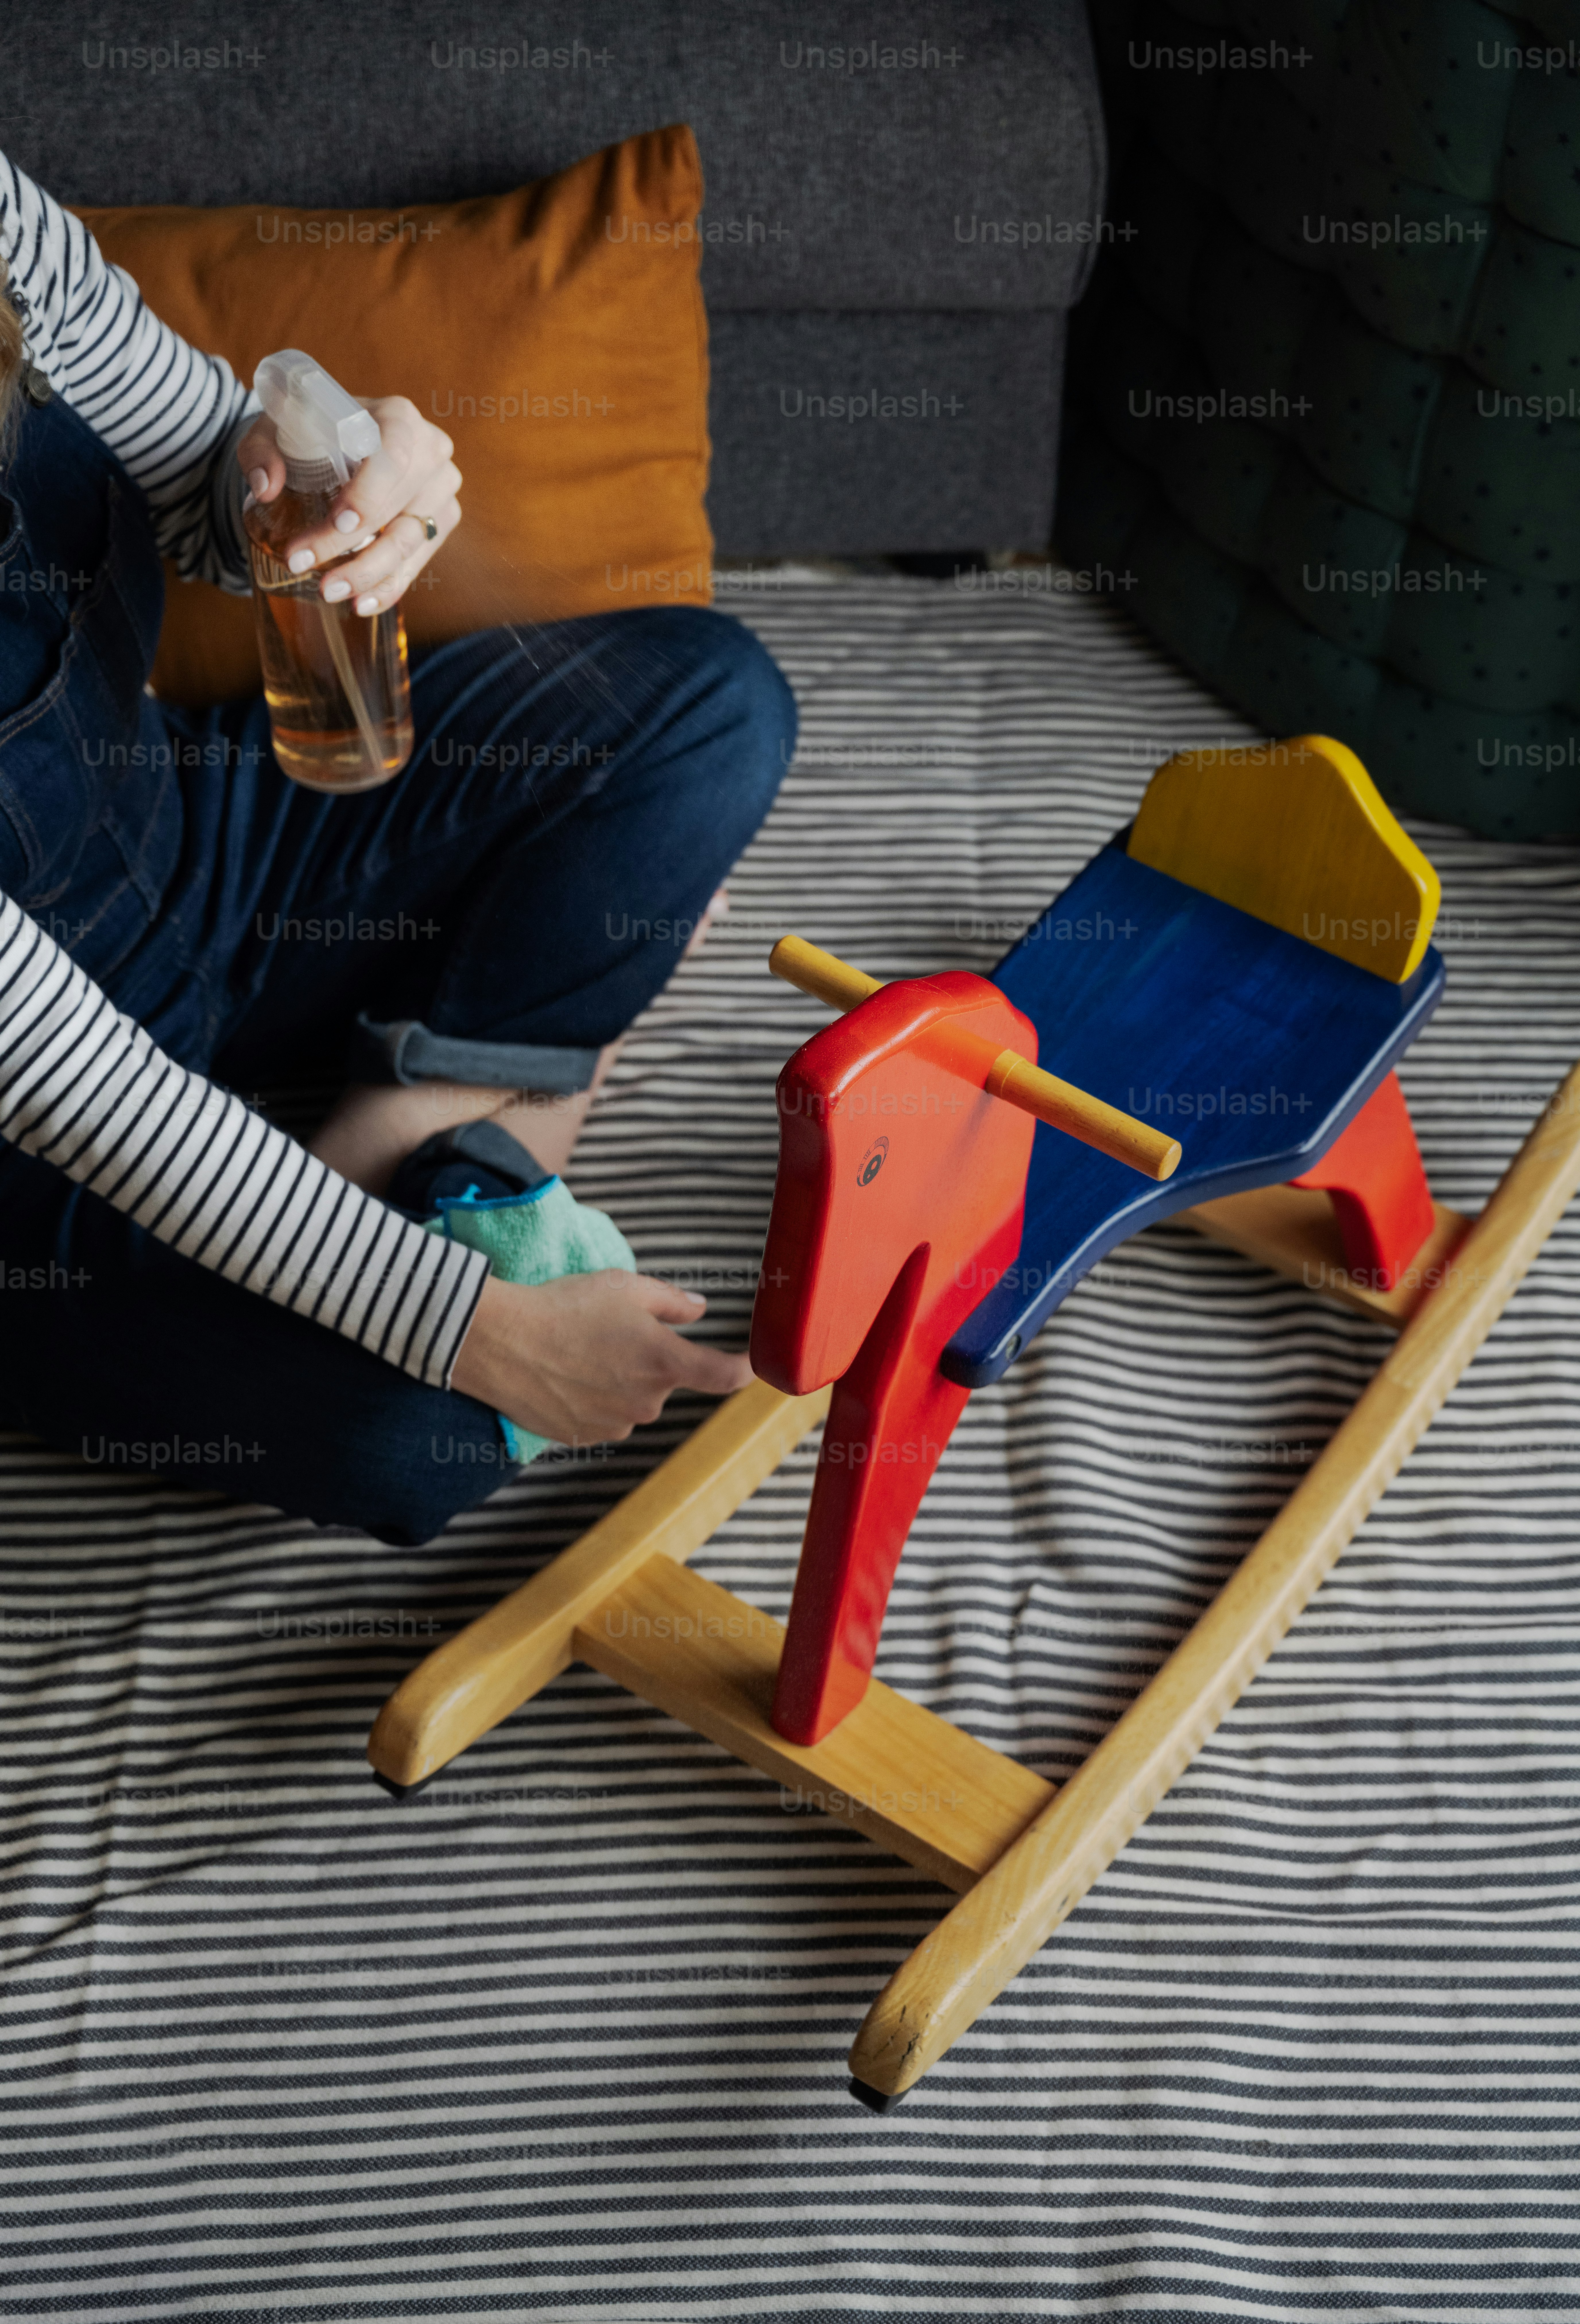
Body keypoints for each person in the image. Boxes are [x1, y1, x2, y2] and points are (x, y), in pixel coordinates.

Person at [0, 153, 794, 1543]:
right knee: (420, 1437)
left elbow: (210, 476)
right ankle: (501, 1098)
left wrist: (345, 463)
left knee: (704, 707)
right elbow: (78, 1085)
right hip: (37, 1148)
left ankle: (398, 1134)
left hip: (184, 847)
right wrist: (473, 1327)